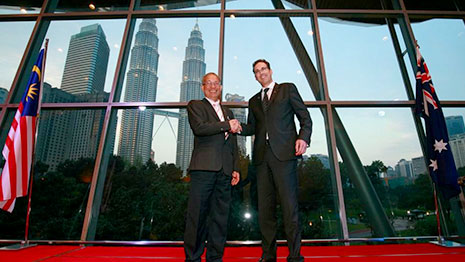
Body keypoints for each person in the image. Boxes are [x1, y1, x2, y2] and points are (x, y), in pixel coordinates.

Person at [238, 59, 312, 262]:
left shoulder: (288, 89)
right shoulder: (253, 101)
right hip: (262, 159)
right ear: (255, 76)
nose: (261, 73)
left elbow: (305, 118)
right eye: (256, 71)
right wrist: (235, 127)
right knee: (265, 210)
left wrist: (303, 138)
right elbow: (252, 128)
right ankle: (268, 255)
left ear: (270, 71)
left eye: (263, 69)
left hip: (285, 156)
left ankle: (295, 255)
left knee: (290, 208)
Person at [184, 72, 242, 262]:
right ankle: (193, 258)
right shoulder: (196, 105)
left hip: (224, 171)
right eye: (208, 83)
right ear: (202, 87)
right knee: (197, 216)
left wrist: (235, 167)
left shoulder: (229, 112)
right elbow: (200, 128)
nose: (212, 86)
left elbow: (232, 143)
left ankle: (215, 258)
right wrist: (227, 125)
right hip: (203, 169)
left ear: (221, 87)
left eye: (216, 83)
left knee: (220, 218)